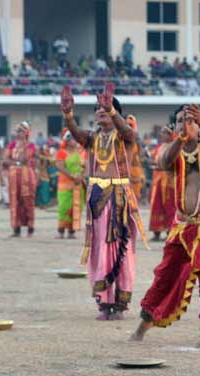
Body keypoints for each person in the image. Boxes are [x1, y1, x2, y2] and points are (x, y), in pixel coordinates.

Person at [132, 105, 200, 347]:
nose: (186, 124)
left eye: (190, 120)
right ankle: (142, 328)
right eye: (180, 121)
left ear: (199, 125)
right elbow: (165, 162)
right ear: (174, 127)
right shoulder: (169, 150)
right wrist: (180, 139)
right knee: (165, 276)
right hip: (183, 226)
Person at [62, 83, 145, 320]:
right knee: (100, 249)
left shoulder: (125, 136)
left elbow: (130, 132)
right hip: (98, 199)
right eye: (97, 108)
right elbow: (77, 133)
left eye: (104, 108)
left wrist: (111, 110)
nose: (99, 111)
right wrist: (68, 114)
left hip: (119, 199)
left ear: (114, 111)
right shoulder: (92, 138)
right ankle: (104, 302)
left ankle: (119, 304)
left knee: (120, 248)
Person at [4, 122, 37, 237]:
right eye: (17, 131)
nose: (18, 134)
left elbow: (25, 158)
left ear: (27, 133)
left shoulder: (30, 145)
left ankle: (30, 228)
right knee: (14, 201)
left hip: (26, 175)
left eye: (21, 131)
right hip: (14, 176)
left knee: (28, 200)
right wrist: (16, 162)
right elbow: (5, 160)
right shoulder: (12, 144)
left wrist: (15, 160)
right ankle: (16, 229)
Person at [148, 126, 178, 241]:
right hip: (158, 181)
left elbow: (171, 163)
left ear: (171, 134)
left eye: (165, 133)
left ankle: (170, 231)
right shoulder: (159, 147)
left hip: (169, 182)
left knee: (170, 206)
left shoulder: (174, 147)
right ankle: (156, 232)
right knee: (156, 205)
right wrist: (152, 162)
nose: (162, 135)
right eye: (162, 133)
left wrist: (160, 166)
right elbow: (153, 159)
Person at [55, 132, 86, 238]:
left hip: (78, 184)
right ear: (67, 141)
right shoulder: (61, 152)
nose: (75, 141)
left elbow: (86, 166)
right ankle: (61, 231)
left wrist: (81, 177)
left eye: (75, 139)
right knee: (65, 207)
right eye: (72, 139)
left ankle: (71, 232)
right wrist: (72, 176)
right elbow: (60, 166)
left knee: (77, 207)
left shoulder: (81, 152)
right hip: (65, 184)